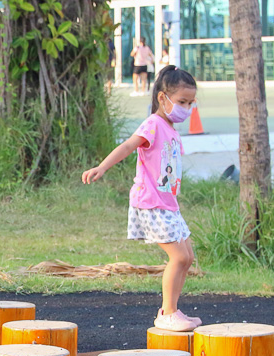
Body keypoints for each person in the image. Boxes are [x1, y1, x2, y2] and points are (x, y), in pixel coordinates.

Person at [82, 65, 199, 332]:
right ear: (162, 97)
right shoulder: (153, 124)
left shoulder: (171, 129)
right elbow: (127, 146)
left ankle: (173, 310)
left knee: (188, 257)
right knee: (179, 258)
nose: (187, 108)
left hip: (169, 204)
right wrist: (102, 166)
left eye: (190, 103)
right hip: (151, 203)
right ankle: (167, 313)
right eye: (182, 101)